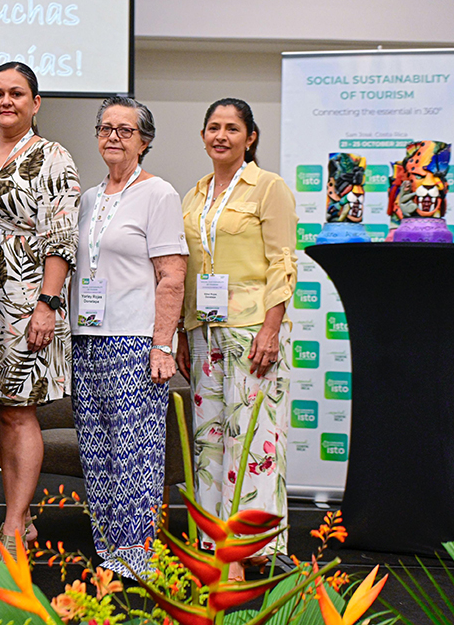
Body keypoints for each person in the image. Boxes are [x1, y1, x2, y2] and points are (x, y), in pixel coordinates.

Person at [175, 97, 297, 581]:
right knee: (210, 441)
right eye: (212, 127)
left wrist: (271, 327)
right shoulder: (194, 194)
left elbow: (283, 263)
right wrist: (184, 331)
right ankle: (212, 547)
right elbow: (186, 272)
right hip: (204, 330)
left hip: (252, 330)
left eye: (231, 128)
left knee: (253, 441)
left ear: (250, 137)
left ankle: (249, 553)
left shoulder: (269, 188)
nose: (220, 135)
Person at [70, 96, 187, 577]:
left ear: (145, 140)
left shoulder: (159, 193)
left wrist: (163, 344)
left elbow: (173, 276)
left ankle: (137, 553)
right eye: (105, 128)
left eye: (125, 129)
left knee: (135, 450)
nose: (113, 136)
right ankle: (109, 550)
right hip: (86, 338)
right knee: (95, 447)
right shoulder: (89, 198)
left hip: (135, 340)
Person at [0, 61, 80, 555]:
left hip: (28, 298)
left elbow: (61, 239)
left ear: (36, 103)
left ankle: (14, 528)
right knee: (2, 411)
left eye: (17, 93)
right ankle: (26, 518)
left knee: (20, 412)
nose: (6, 102)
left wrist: (47, 304)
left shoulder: (53, 157)